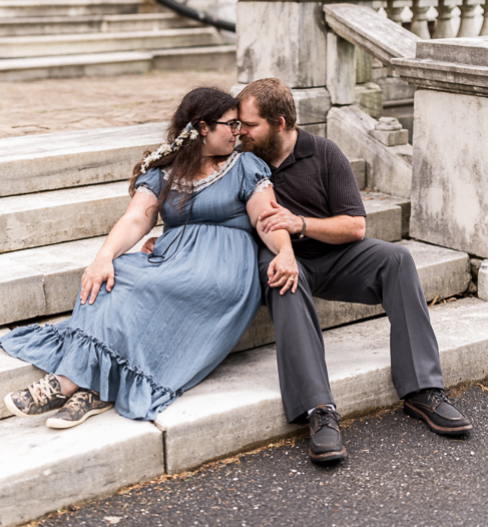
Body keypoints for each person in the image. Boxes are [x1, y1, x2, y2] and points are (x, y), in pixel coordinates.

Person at [1, 87, 297, 429]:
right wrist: (104, 256)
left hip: (221, 269)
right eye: (230, 125)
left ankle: (65, 382)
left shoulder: (245, 165)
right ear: (203, 128)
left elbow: (266, 218)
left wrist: (286, 251)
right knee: (113, 277)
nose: (238, 132)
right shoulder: (165, 171)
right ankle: (93, 392)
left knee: (151, 286)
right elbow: (136, 218)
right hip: (172, 259)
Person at [233, 78, 471, 463]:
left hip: (332, 256)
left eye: (249, 124)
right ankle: (318, 411)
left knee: (397, 259)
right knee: (284, 278)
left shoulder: (324, 153)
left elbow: (356, 227)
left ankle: (423, 390)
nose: (241, 132)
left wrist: (301, 224)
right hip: (281, 255)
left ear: (279, 123)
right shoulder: (244, 159)